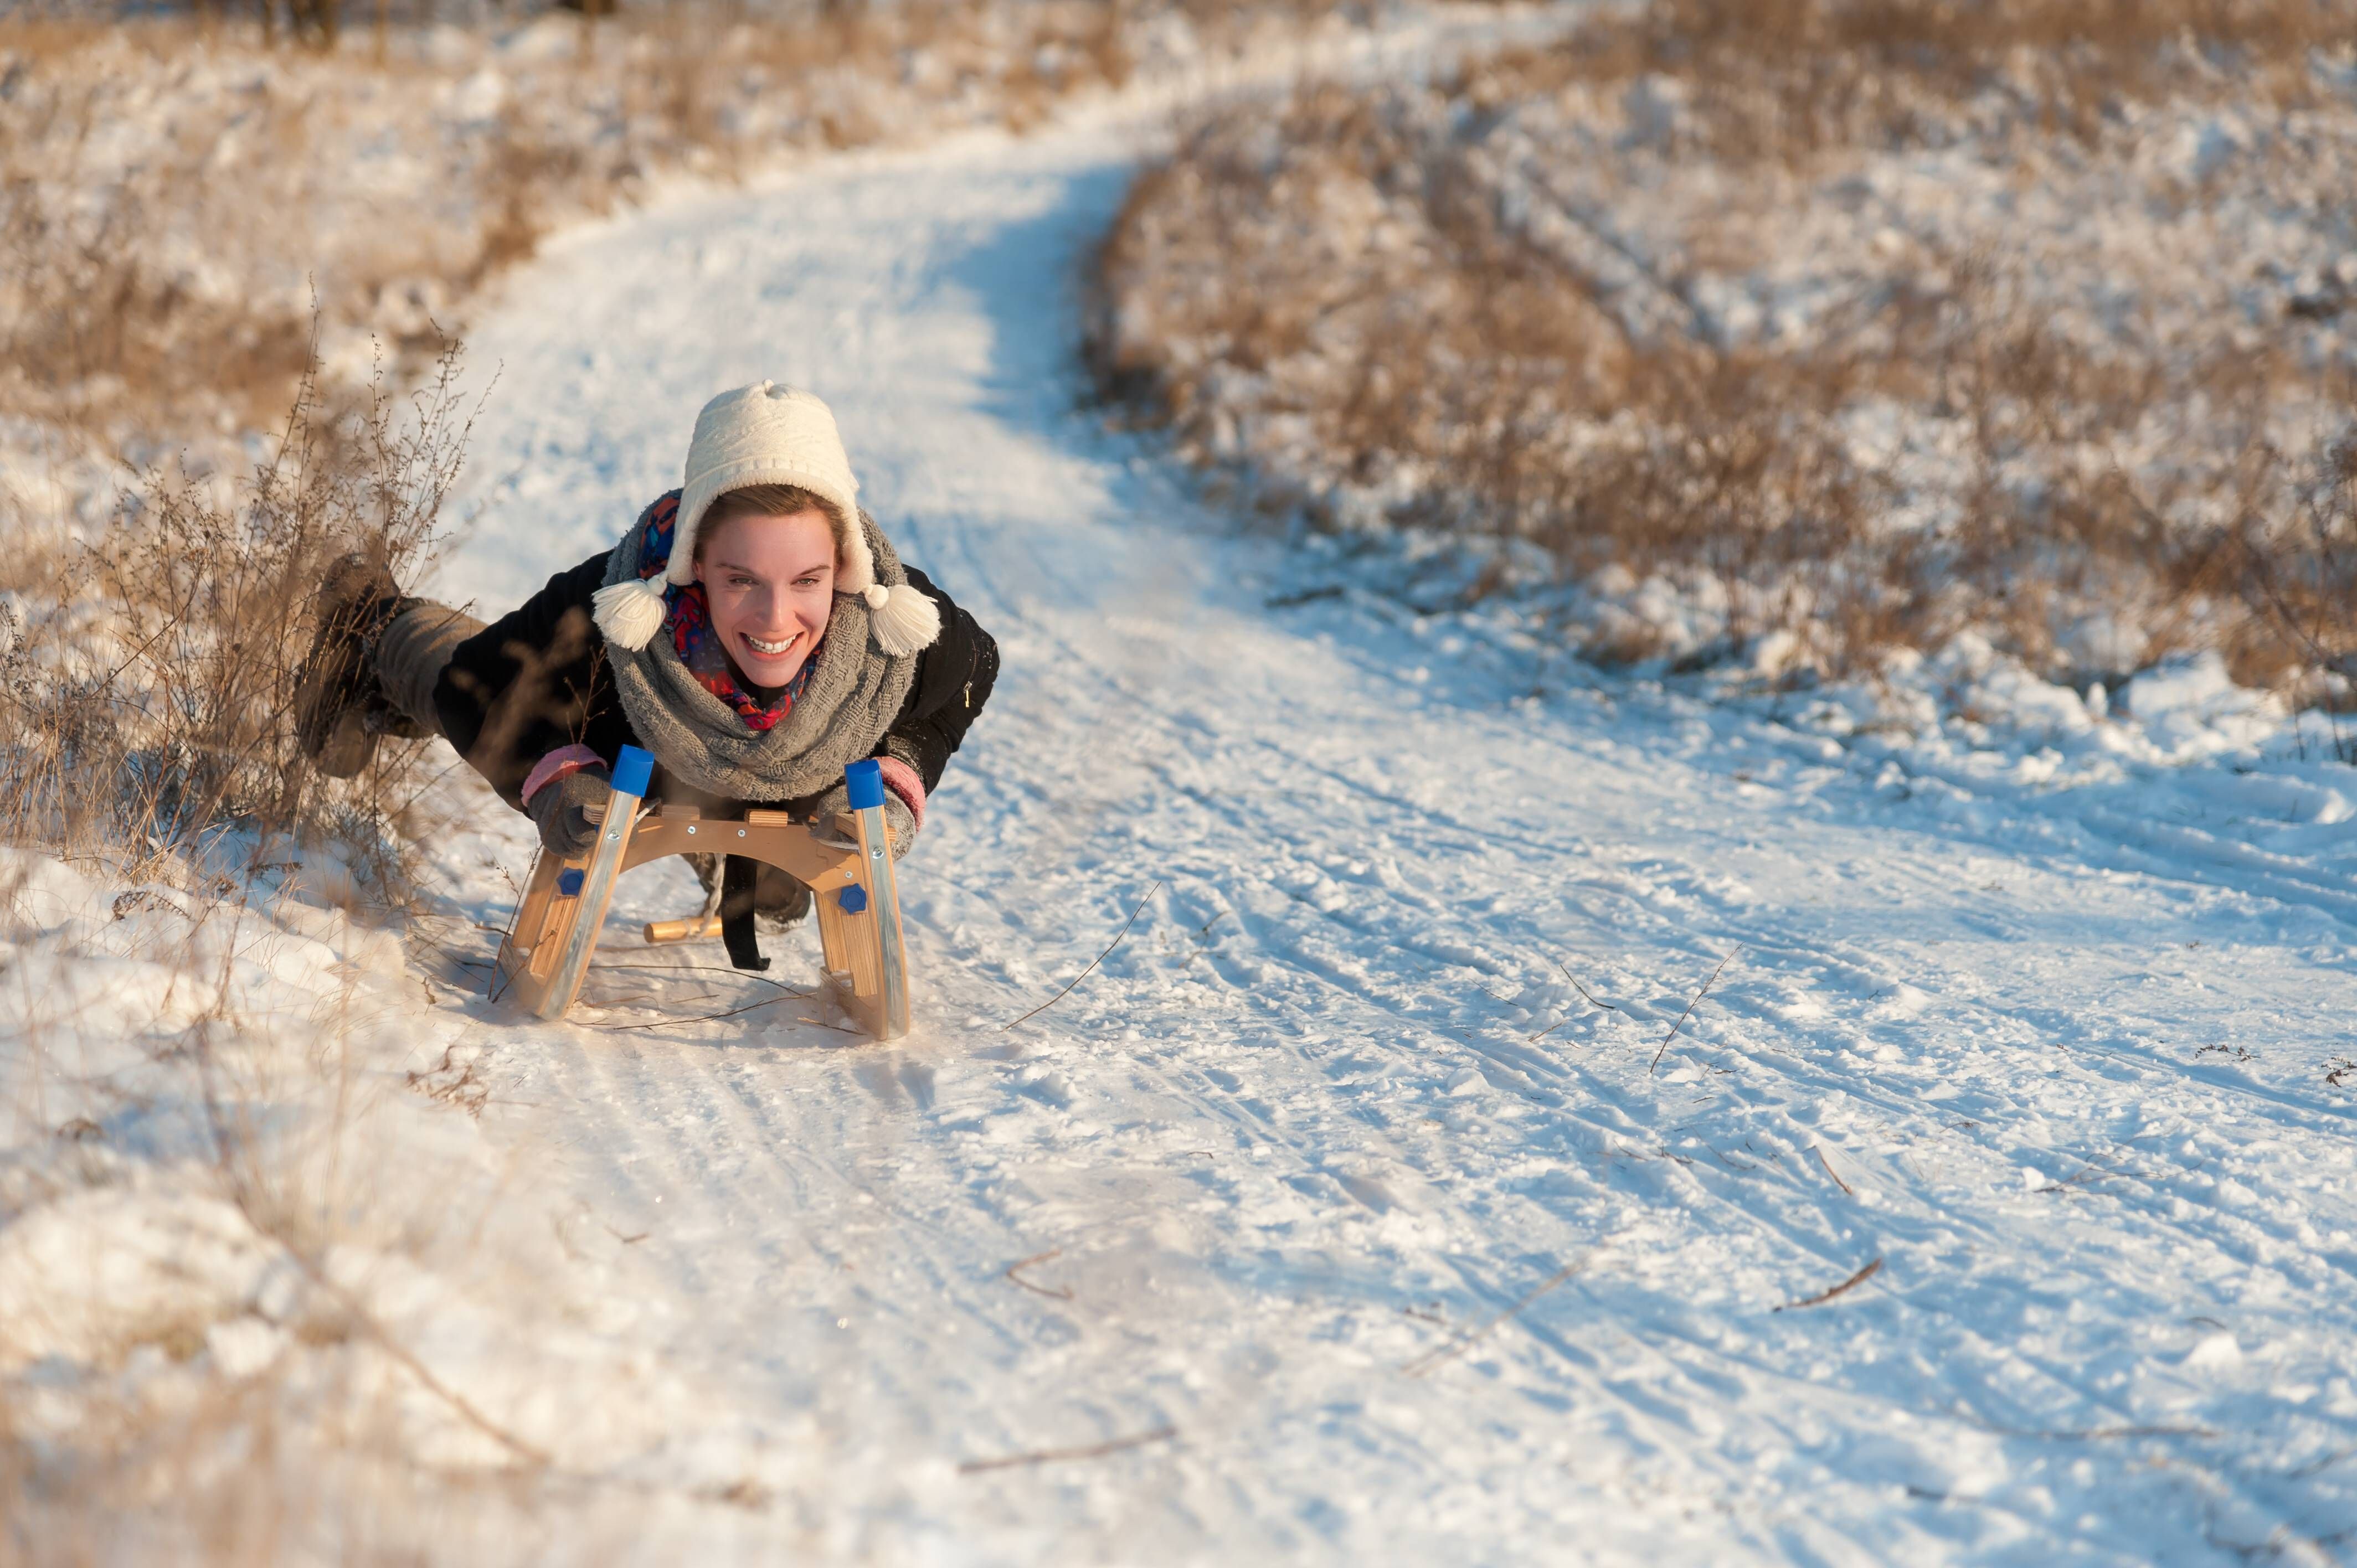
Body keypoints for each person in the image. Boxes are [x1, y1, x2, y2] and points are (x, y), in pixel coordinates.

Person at [294, 381, 999, 963]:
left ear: (844, 568)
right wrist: (555, 778)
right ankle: (373, 623)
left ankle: (739, 852)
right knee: (463, 676)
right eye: (740, 580)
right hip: (616, 739)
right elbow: (471, 688)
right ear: (692, 565)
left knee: (778, 895)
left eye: (806, 580)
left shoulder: (898, 627)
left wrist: (903, 776)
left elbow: (973, 676)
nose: (776, 617)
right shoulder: (612, 608)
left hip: (787, 765)